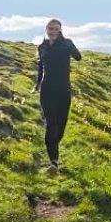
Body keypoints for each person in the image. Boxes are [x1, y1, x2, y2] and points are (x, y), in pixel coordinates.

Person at [33, 18, 81, 173]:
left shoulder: (66, 44)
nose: (53, 31)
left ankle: (54, 151)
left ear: (60, 30)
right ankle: (53, 162)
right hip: (47, 91)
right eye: (50, 29)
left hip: (63, 91)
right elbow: (41, 67)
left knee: (60, 128)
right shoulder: (42, 47)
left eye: (56, 29)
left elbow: (78, 57)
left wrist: (71, 46)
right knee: (51, 125)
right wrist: (37, 85)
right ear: (46, 30)